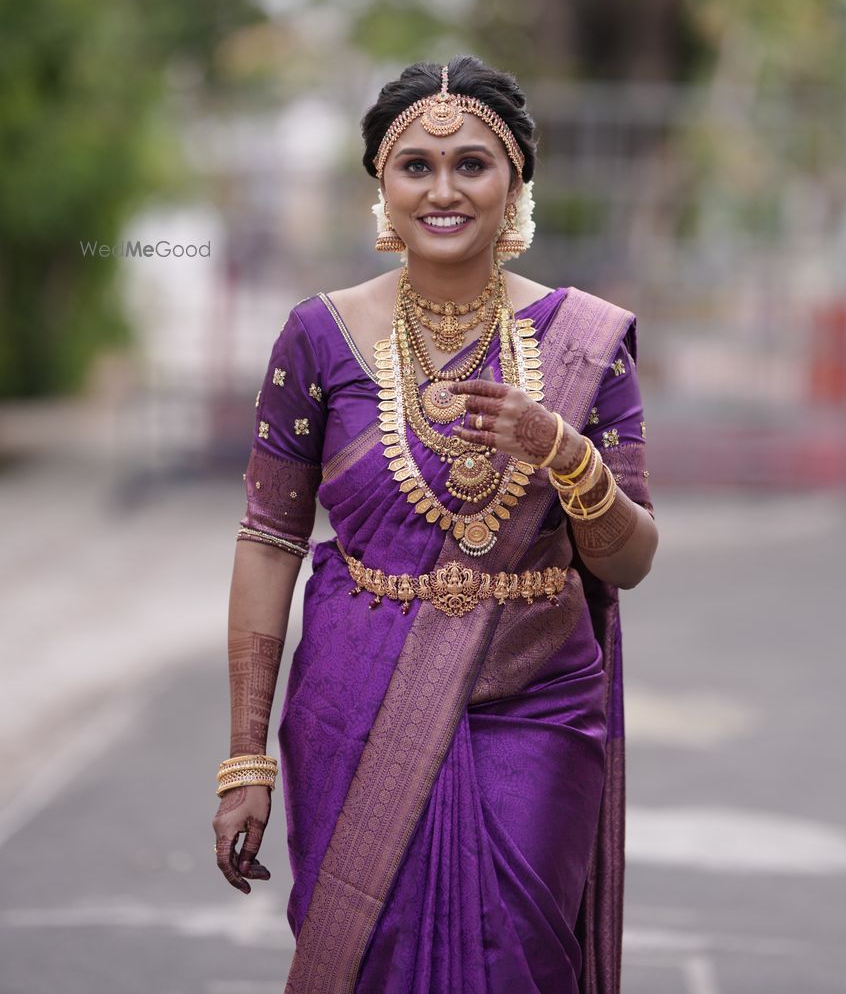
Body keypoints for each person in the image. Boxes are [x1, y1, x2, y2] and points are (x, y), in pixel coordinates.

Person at [212, 55, 658, 994]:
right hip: (354, 701)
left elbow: (630, 560)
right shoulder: (318, 336)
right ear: (382, 184)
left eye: (472, 165)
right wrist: (244, 754)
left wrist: (565, 454)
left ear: (516, 183)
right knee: (367, 954)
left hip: (536, 697)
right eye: (416, 165)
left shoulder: (585, 344)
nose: (444, 189)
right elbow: (268, 543)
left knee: (521, 957)